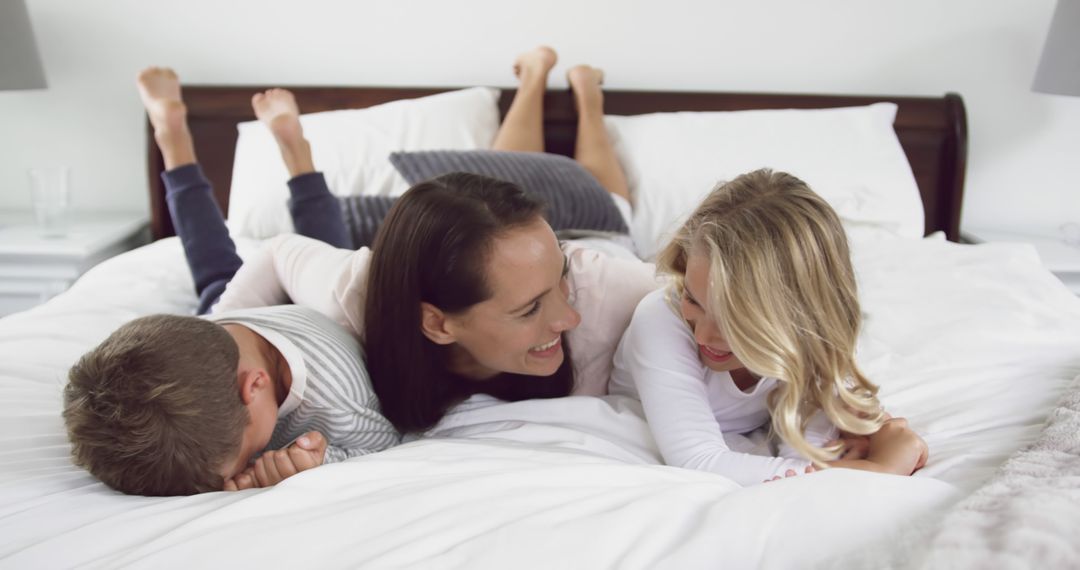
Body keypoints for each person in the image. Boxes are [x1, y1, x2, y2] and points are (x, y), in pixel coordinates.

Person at [213, 46, 660, 433]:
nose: (569, 317)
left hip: (594, 239)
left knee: (610, 206)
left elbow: (706, 296)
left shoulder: (610, 292)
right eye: (529, 309)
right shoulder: (359, 292)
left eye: (558, 288)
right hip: (518, 254)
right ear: (437, 323)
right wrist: (217, 349)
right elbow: (277, 254)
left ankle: (587, 97)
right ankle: (534, 78)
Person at [60, 68, 400, 496]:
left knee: (316, 247)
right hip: (232, 327)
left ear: (253, 386)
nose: (239, 476)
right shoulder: (191, 358)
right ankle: (171, 135)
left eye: (241, 460)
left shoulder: (338, 401)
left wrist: (317, 461)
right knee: (212, 263)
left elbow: (389, 444)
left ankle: (293, 151)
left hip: (292, 318)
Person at [609, 169, 929, 486]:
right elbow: (699, 461)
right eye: (694, 300)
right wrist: (880, 470)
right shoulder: (660, 320)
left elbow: (804, 458)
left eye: (733, 322)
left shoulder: (810, 340)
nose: (703, 336)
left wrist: (841, 445)